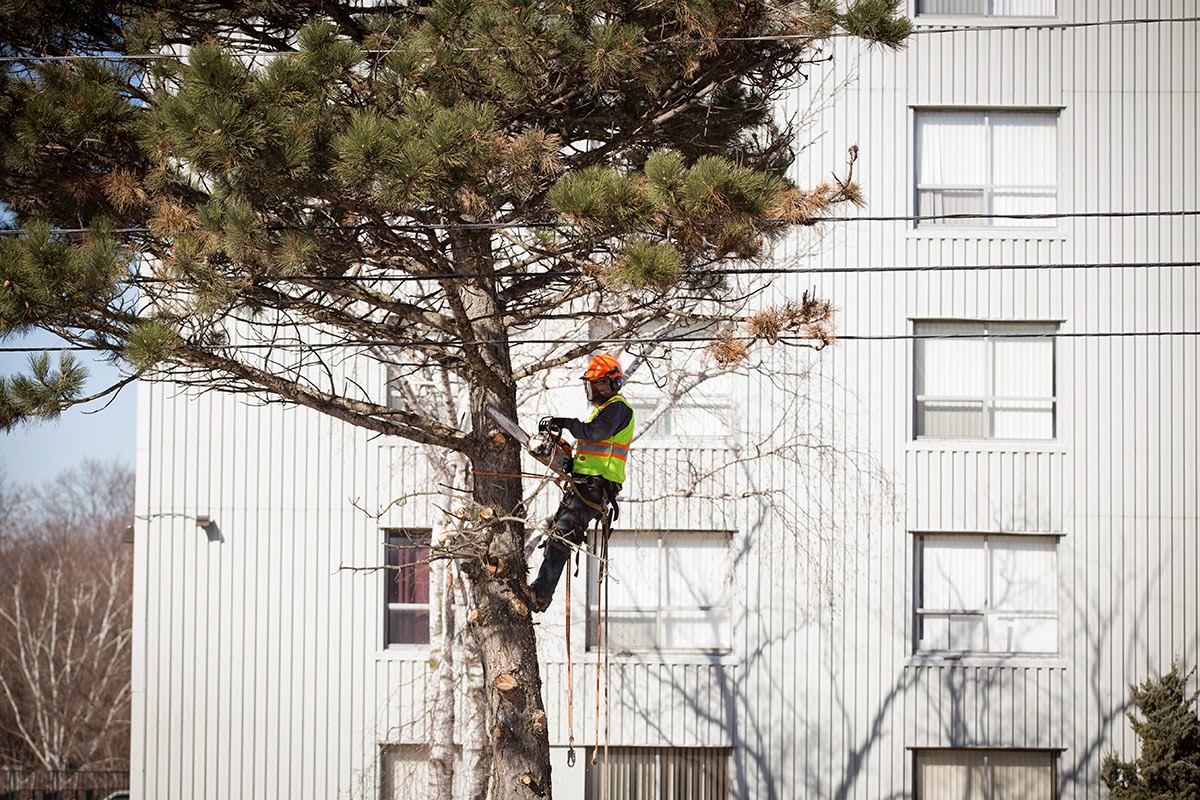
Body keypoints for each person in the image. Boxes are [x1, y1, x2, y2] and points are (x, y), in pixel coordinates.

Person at [528, 354, 634, 611]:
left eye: (599, 383)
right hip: (584, 483)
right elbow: (591, 449)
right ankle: (539, 591)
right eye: (592, 384)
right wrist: (568, 465)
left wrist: (564, 423)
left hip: (596, 487)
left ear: (614, 383)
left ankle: (540, 595)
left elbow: (595, 434)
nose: (595, 388)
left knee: (562, 534)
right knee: (558, 532)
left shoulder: (618, 408)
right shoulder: (602, 411)